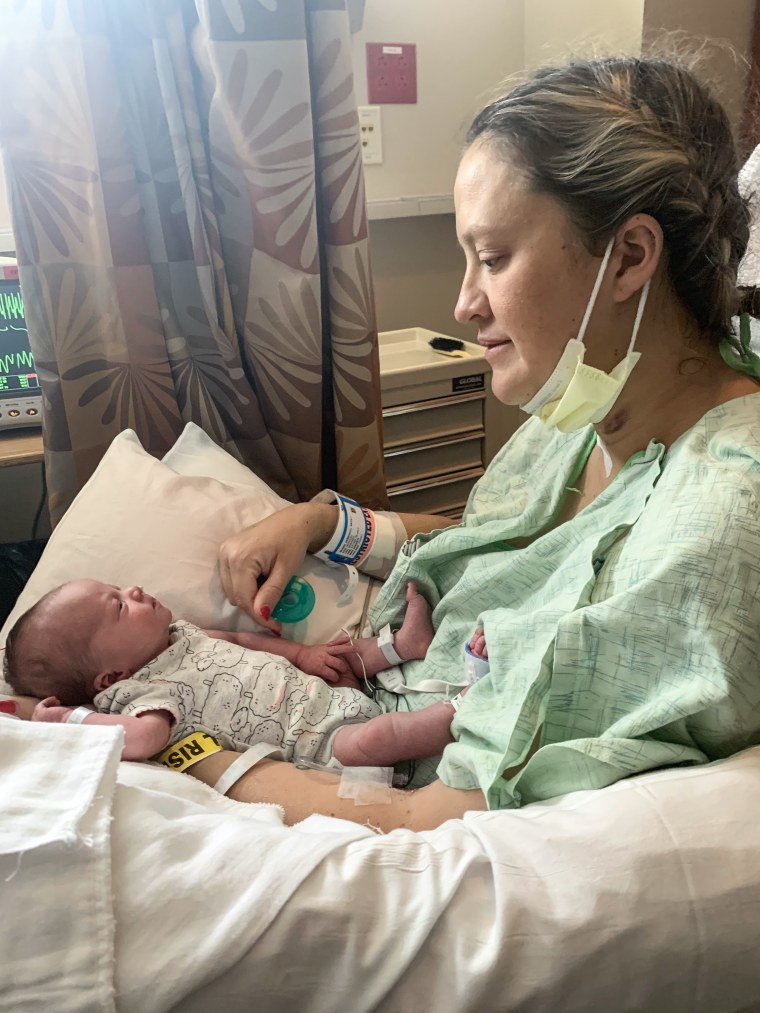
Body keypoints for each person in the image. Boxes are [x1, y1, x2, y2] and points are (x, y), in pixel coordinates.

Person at [178, 54, 760, 833]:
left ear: (628, 257)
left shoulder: (721, 517)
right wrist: (323, 522)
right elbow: (495, 540)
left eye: (492, 257)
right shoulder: (594, 401)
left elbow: (430, 818)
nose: (462, 302)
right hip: (375, 679)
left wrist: (190, 759)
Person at [4, 578, 480, 769]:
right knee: (380, 738)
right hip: (319, 744)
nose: (133, 589)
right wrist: (66, 721)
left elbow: (243, 642)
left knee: (337, 654)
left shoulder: (181, 634)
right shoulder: (140, 695)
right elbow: (143, 740)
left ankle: (401, 646)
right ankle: (464, 707)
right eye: (118, 606)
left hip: (323, 692)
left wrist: (301, 653)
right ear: (109, 678)